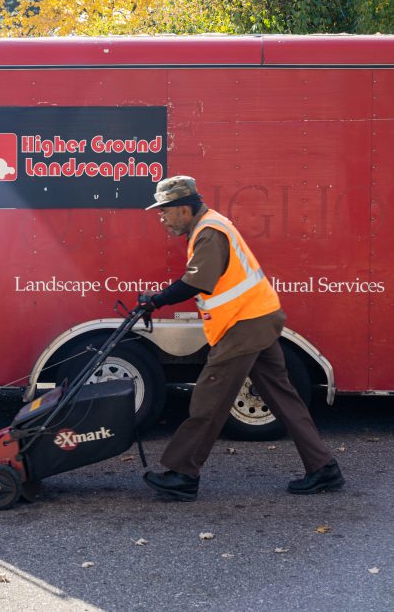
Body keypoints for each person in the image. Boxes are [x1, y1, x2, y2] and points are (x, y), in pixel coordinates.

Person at [138, 175, 343, 501]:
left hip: (243, 325)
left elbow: (196, 282)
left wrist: (156, 300)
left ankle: (183, 475)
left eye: (165, 211)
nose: (161, 217)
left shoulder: (209, 233)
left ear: (185, 209)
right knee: (282, 397)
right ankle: (324, 468)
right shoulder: (210, 225)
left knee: (209, 397)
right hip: (258, 318)